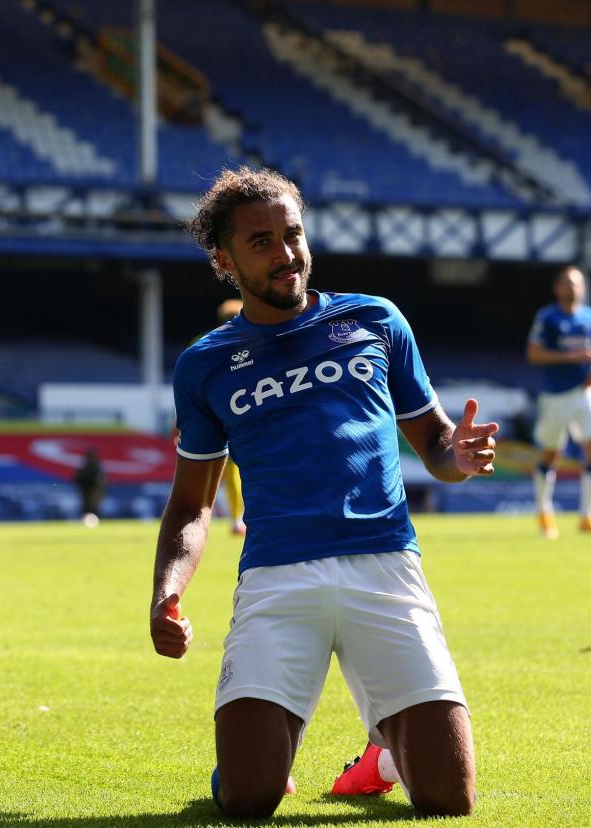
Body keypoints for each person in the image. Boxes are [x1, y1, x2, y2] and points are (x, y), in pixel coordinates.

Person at [150, 167, 496, 818]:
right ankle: (262, 757)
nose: (287, 254)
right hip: (278, 579)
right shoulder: (204, 365)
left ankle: (386, 753)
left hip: (386, 567)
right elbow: (192, 505)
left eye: (294, 234)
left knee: (449, 800)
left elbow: (437, 445)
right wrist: (167, 591)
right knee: (249, 798)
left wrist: (463, 456)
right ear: (224, 259)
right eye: (262, 242)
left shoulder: (376, 319)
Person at [526, 266, 591, 540]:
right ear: (557, 288)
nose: (572, 288)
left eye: (577, 284)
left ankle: (588, 516)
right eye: (567, 283)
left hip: (585, 393)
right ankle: (544, 514)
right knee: (552, 455)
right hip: (556, 395)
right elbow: (533, 354)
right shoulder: (548, 317)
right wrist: (570, 357)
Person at [213, 299, 247, 535]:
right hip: (249, 415)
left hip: (218, 415)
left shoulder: (204, 344)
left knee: (230, 472)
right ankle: (240, 518)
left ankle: (236, 519)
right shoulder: (256, 342)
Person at [73, 447, 106, 528]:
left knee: (92, 507)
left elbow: (101, 480)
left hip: (92, 490)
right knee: (88, 507)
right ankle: (88, 522)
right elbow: (78, 479)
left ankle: (93, 522)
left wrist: (99, 490)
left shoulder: (95, 467)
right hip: (87, 490)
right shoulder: (87, 467)